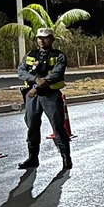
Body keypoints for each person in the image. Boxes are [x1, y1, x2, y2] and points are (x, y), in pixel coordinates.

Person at [16, 27, 72, 170]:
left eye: (45, 37)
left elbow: (57, 74)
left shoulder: (59, 55)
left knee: (58, 126)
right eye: (39, 38)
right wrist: (35, 79)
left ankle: (66, 158)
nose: (42, 40)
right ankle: (33, 158)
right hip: (32, 97)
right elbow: (21, 71)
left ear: (52, 39)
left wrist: (40, 84)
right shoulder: (30, 54)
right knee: (32, 126)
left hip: (50, 95)